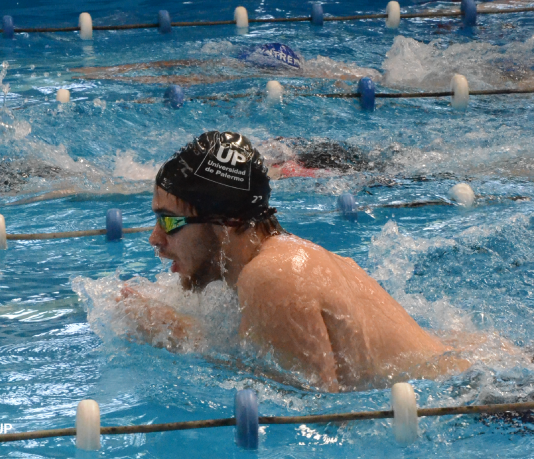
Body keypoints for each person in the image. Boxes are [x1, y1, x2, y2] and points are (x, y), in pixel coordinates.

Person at [118, 130, 470, 392]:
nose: (155, 239)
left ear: (226, 222)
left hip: (479, 405)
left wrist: (179, 335)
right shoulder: (282, 258)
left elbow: (317, 405)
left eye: (169, 221)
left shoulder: (274, 276)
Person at [69, 43, 381, 85]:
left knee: (188, 69)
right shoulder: (315, 70)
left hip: (249, 59)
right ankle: (113, 75)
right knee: (195, 76)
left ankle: (111, 74)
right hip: (251, 64)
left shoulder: (314, 65)